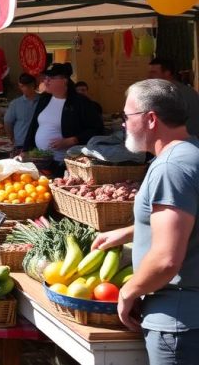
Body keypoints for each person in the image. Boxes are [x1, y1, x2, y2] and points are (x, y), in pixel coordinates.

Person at [91, 79, 199, 362]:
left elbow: (166, 259)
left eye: (127, 117)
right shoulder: (191, 152)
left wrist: (128, 292)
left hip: (178, 322)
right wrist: (130, 232)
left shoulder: (170, 167)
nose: (123, 125)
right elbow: (186, 218)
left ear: (151, 119)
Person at [24, 63, 104, 167]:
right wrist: (25, 149)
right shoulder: (44, 99)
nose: (46, 81)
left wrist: (73, 140)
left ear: (64, 80)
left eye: (51, 78)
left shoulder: (80, 102)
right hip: (41, 160)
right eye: (45, 77)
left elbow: (97, 129)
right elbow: (33, 125)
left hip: (66, 162)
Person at [149, 57, 199, 138]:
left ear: (167, 73)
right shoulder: (186, 90)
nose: (149, 76)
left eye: (153, 72)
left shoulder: (173, 95)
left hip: (183, 143)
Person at [4, 74, 39, 150]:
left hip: (39, 143)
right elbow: (8, 122)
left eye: (27, 86)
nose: (24, 89)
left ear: (33, 85)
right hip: (21, 143)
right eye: (22, 86)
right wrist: (12, 138)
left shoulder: (43, 101)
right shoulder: (15, 103)